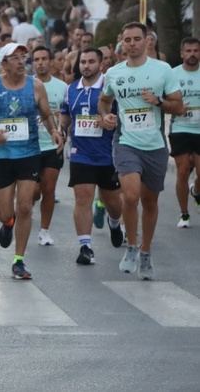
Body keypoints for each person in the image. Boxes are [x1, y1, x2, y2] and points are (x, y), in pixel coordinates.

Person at [99, 22, 183, 279]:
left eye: (137, 39)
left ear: (147, 41)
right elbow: (104, 101)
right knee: (131, 195)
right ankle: (132, 247)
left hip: (155, 146)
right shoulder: (114, 73)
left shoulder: (163, 70)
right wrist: (106, 117)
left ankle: (146, 252)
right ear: (122, 43)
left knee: (149, 201)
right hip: (125, 142)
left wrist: (157, 101)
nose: (132, 44)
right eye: (128, 40)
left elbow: (178, 106)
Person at [0, 43, 63, 279]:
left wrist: (54, 131)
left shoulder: (35, 86)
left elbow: (46, 114)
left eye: (22, 57)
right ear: (3, 63)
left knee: (25, 206)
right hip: (2, 156)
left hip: (29, 153)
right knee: (5, 212)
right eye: (14, 58)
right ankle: (8, 223)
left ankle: (19, 260)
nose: (20, 61)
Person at [60, 48, 124, 265]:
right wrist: (60, 132)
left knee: (113, 202)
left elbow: (121, 116)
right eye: (83, 62)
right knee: (83, 197)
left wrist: (110, 121)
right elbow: (65, 114)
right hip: (81, 153)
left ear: (101, 64)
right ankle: (85, 246)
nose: (86, 66)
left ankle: (114, 222)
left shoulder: (110, 86)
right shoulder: (71, 89)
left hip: (107, 154)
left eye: (91, 62)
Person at [31, 46, 67, 246]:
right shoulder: (27, 85)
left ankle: (45, 230)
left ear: (51, 61)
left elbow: (67, 116)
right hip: (30, 147)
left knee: (49, 188)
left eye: (44, 58)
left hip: (52, 146)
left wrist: (64, 135)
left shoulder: (62, 87)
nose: (41, 63)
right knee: (33, 191)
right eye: (36, 59)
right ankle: (29, 206)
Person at [168, 37, 200, 227]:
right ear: (182, 54)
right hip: (180, 127)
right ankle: (184, 214)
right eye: (188, 51)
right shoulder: (172, 75)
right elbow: (164, 102)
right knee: (182, 170)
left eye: (195, 51)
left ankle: (196, 191)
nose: (192, 54)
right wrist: (176, 107)